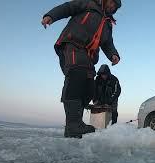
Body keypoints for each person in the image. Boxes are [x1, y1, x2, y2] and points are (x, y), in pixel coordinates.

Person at [41, 0, 122, 138]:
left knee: (90, 88)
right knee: (76, 77)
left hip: (89, 56)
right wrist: (51, 16)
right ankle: (73, 124)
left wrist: (113, 54)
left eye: (115, 7)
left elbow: (107, 43)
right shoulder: (89, 4)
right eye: (112, 3)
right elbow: (68, 7)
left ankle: (75, 124)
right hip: (73, 44)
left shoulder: (108, 23)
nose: (112, 7)